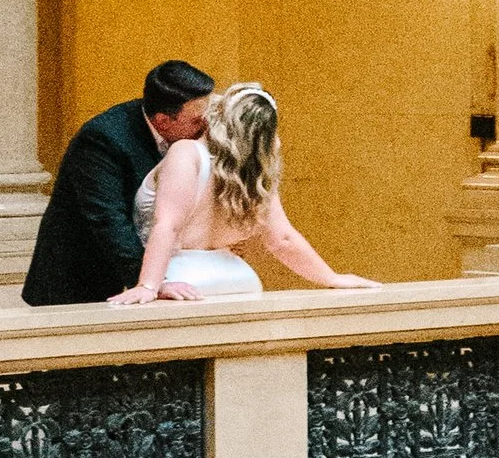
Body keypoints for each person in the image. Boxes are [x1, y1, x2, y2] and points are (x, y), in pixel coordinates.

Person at [112, 80, 374, 305]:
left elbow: (167, 225)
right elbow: (282, 239)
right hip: (239, 279)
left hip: (179, 281)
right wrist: (331, 277)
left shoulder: (186, 153)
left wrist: (148, 285)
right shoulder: (256, 175)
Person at [21, 61, 215, 306]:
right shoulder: (103, 139)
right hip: (80, 281)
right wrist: (150, 283)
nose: (205, 127)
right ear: (164, 121)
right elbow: (108, 218)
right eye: (197, 120)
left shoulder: (186, 136)